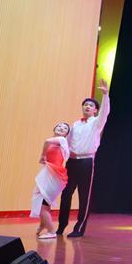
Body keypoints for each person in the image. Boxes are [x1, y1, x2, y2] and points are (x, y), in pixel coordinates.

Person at [57, 79, 110, 238]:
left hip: (86, 162)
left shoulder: (96, 123)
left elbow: (105, 113)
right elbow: (67, 142)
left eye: (90, 105)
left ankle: (79, 228)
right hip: (72, 162)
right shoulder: (75, 124)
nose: (87, 107)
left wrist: (105, 95)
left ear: (95, 110)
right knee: (66, 194)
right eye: (85, 105)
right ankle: (61, 226)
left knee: (84, 196)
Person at [32, 123, 71, 239]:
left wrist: (42, 155)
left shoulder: (62, 140)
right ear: (54, 128)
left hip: (54, 176)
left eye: (65, 128)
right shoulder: (55, 142)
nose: (61, 128)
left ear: (66, 134)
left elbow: (46, 141)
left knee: (42, 205)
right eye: (59, 126)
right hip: (48, 173)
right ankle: (43, 224)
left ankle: (51, 231)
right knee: (43, 202)